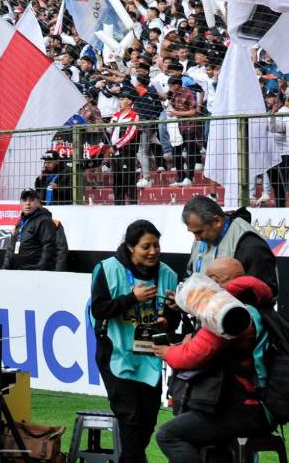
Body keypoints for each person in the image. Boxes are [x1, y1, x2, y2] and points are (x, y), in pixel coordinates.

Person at [155, 257, 275, 462]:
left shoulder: (226, 312)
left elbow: (192, 355)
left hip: (240, 406)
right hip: (260, 403)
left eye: (207, 281)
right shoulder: (255, 303)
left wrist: (167, 351)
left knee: (168, 434)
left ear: (215, 281)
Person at [90, 220, 179, 463]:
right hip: (116, 353)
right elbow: (98, 309)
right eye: (146, 246)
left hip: (150, 355)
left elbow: (174, 319)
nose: (153, 252)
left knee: (148, 420)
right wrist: (131, 298)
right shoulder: (107, 269)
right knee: (130, 417)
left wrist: (168, 317)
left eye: (157, 245)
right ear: (130, 247)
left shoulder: (169, 275)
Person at [182, 195, 277, 297]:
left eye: (199, 232)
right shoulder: (201, 237)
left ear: (217, 221)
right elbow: (190, 276)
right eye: (193, 233)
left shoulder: (250, 245)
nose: (197, 238)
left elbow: (264, 294)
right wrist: (183, 299)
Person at [2, 189, 68, 271]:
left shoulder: (47, 222)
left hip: (36, 275)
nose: (28, 203)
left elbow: (54, 250)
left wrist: (41, 272)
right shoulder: (20, 223)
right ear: (20, 203)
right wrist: (5, 269)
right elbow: (11, 249)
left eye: (32, 200)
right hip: (18, 272)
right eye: (24, 200)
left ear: (38, 203)